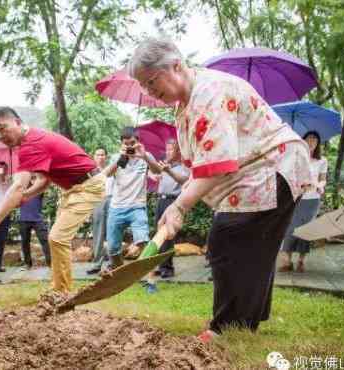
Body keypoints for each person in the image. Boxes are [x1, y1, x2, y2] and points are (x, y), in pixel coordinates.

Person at [129, 36, 313, 342]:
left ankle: (226, 327)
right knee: (251, 249)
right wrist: (177, 204)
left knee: (228, 239)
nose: (149, 91)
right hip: (250, 175)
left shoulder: (209, 92)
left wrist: (180, 206)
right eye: (144, 87)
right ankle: (242, 322)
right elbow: (201, 166)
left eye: (151, 81)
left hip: (271, 169)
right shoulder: (184, 107)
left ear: (175, 65)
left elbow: (219, 163)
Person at [0, 106, 105, 293]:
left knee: (57, 238)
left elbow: (18, 186)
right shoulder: (31, 139)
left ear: (17, 122)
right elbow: (44, 181)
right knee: (57, 239)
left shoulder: (31, 145)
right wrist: (26, 196)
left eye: (2, 128)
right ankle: (59, 289)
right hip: (75, 188)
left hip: (88, 186)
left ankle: (62, 293)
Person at [104, 127, 163, 273]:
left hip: (137, 207)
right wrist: (120, 158)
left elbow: (157, 171)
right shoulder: (117, 157)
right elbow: (107, 174)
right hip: (116, 207)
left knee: (142, 240)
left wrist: (144, 157)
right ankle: (119, 269)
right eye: (126, 143)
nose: (130, 146)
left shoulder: (145, 156)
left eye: (132, 143)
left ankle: (146, 271)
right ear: (122, 144)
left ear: (138, 142)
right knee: (112, 248)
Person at [143, 138, 190, 293]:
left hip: (172, 201)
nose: (168, 152)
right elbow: (152, 171)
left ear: (178, 152)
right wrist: (154, 175)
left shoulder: (183, 167)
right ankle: (160, 266)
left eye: (171, 149)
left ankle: (167, 268)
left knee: (168, 236)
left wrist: (169, 170)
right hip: (160, 200)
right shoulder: (163, 166)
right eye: (167, 149)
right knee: (158, 234)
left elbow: (184, 180)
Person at [279, 132, 327, 273]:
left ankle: (301, 261)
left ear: (318, 143)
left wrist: (319, 185)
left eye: (315, 140)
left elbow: (323, 179)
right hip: (296, 198)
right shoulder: (296, 158)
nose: (311, 142)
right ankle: (287, 261)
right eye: (309, 139)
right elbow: (289, 176)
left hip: (312, 200)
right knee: (291, 229)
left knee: (306, 230)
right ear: (303, 141)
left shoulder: (322, 160)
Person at [86, 148, 115, 275]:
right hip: (97, 201)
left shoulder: (113, 169)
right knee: (98, 233)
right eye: (98, 154)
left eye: (103, 154)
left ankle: (112, 263)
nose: (101, 157)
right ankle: (97, 264)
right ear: (94, 157)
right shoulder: (90, 172)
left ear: (106, 157)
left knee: (112, 233)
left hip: (112, 200)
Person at [19, 175, 51, 269]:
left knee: (45, 241)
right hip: (23, 219)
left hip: (37, 219)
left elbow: (42, 181)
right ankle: (27, 264)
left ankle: (51, 263)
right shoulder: (22, 189)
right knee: (25, 242)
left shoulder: (38, 188)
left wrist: (34, 181)